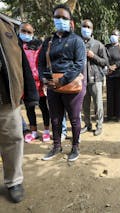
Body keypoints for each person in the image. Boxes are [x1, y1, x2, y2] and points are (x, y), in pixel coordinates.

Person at [38, 4, 86, 161]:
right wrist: (44, 78)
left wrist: (62, 80)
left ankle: (75, 147)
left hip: (71, 85)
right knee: (55, 118)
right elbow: (41, 63)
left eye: (64, 18)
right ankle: (56, 146)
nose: (60, 20)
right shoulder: (48, 41)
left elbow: (79, 64)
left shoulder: (76, 40)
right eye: (57, 17)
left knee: (74, 118)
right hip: (53, 86)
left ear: (70, 21)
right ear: (53, 20)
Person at [0, 13, 39, 203]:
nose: (26, 34)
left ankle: (14, 181)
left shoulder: (7, 26)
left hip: (6, 98)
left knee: (13, 138)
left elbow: (21, 61)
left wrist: (31, 94)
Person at [19, 22, 51, 143]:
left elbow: (43, 64)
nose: (26, 34)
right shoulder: (17, 46)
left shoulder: (40, 47)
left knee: (43, 107)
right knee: (30, 108)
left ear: (33, 33)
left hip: (39, 83)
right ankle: (33, 132)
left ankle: (47, 131)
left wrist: (44, 80)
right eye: (23, 31)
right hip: (25, 83)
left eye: (29, 32)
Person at [80, 19, 108, 136]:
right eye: (84, 26)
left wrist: (94, 56)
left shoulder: (98, 44)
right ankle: (87, 124)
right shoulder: (78, 43)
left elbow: (105, 61)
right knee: (85, 105)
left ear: (92, 30)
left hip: (96, 79)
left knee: (98, 104)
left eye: (88, 27)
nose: (85, 29)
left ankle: (99, 125)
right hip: (82, 80)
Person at [105, 29, 120, 122]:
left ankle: (118, 115)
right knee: (110, 95)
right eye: (112, 34)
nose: (113, 36)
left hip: (119, 74)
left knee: (118, 95)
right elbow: (104, 57)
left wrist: (115, 66)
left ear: (119, 37)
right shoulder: (106, 47)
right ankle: (110, 115)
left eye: (115, 34)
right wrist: (108, 67)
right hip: (109, 74)